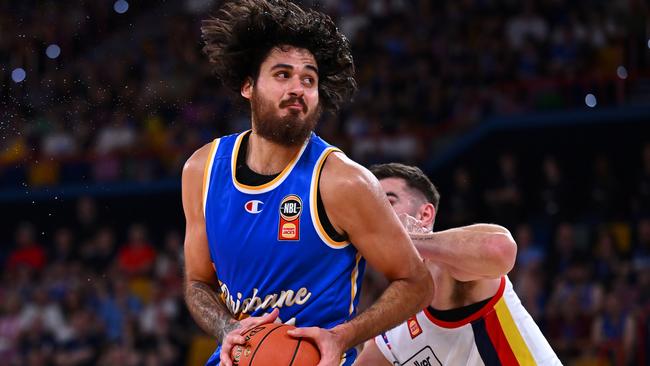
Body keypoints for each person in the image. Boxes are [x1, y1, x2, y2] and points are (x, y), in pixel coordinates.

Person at [181, 2, 433, 366]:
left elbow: (417, 282)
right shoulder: (201, 170)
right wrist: (227, 328)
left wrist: (341, 336)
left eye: (308, 79)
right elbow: (197, 283)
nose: (297, 88)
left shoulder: (343, 181)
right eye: (282, 75)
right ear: (248, 86)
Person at [355, 163, 561, 365]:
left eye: (387, 203)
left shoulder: (446, 268)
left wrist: (406, 241)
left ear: (425, 215)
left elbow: (501, 250)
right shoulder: (390, 331)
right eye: (371, 209)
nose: (376, 217)